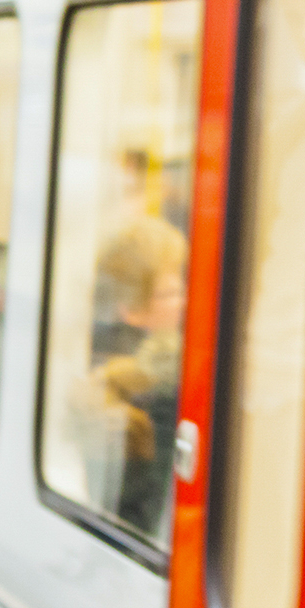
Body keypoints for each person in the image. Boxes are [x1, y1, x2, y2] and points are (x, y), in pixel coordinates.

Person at [75, 216, 188, 537]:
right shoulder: (156, 386)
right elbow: (141, 521)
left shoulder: (107, 364)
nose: (186, 301)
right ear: (131, 310)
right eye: (171, 293)